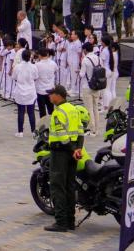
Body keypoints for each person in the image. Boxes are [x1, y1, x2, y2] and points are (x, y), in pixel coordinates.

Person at [44, 84, 84, 232]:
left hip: (60, 153)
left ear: (58, 95)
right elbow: (80, 131)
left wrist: (72, 149)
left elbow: (61, 135)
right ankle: (70, 221)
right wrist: (78, 148)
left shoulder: (58, 112)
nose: (49, 96)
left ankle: (61, 222)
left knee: (57, 187)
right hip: (73, 153)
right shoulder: (73, 109)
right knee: (69, 186)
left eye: (51, 94)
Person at [12, 49, 38, 137]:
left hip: (20, 91)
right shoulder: (34, 66)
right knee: (31, 112)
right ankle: (33, 131)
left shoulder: (17, 67)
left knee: (21, 111)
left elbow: (14, 77)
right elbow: (36, 77)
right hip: (30, 91)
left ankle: (20, 132)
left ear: (22, 57)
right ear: (30, 57)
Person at [79, 42, 103, 137]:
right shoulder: (98, 58)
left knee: (89, 109)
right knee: (95, 108)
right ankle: (96, 128)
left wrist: (79, 71)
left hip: (87, 86)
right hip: (97, 86)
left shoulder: (85, 60)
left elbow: (81, 74)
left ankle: (92, 130)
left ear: (85, 50)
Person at [34, 47, 58, 118]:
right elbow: (56, 71)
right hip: (50, 89)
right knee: (51, 109)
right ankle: (52, 125)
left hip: (40, 90)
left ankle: (44, 126)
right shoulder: (53, 63)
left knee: (42, 111)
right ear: (47, 54)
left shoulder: (37, 65)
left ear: (39, 55)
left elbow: (35, 77)